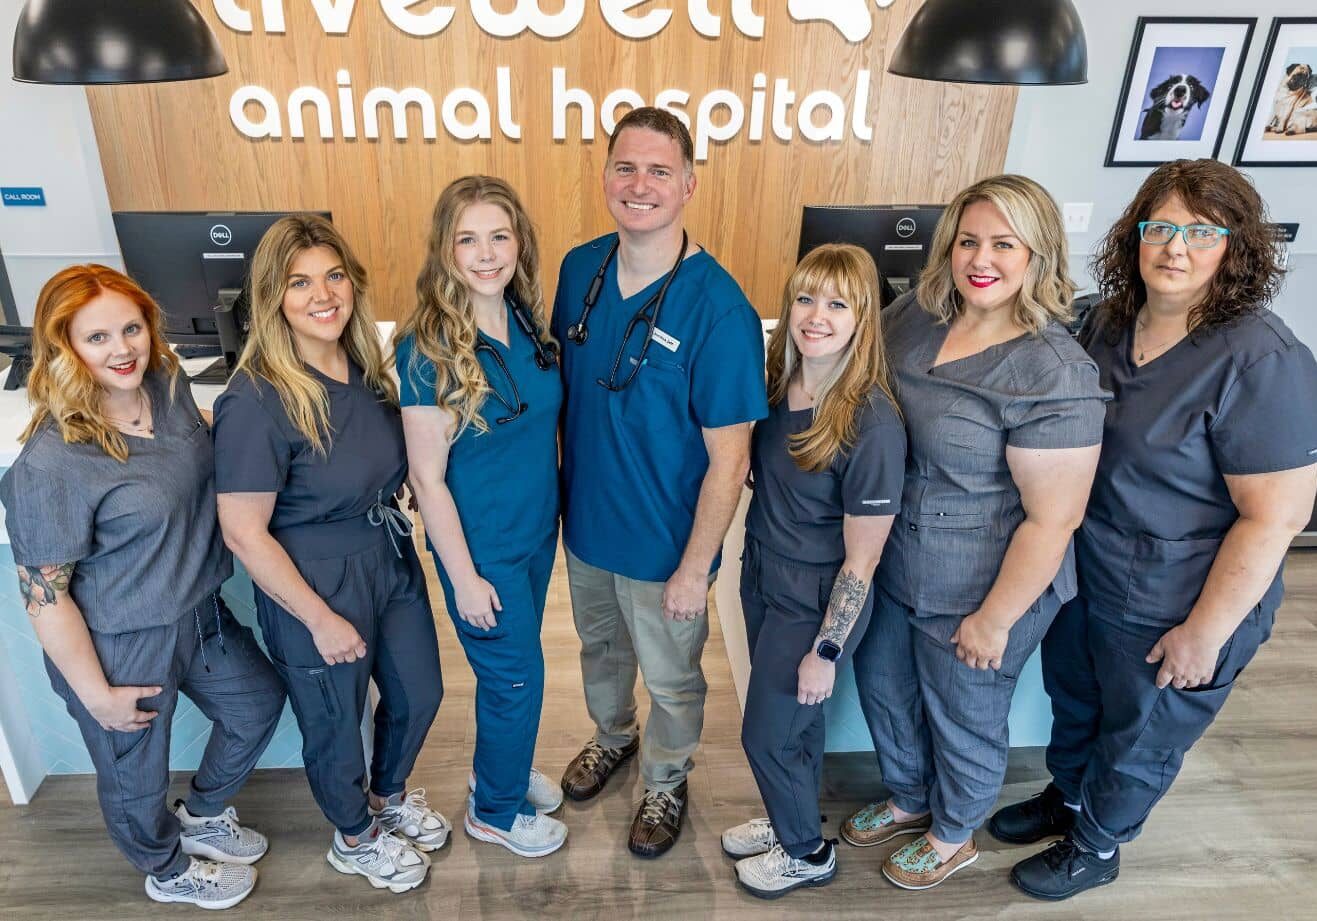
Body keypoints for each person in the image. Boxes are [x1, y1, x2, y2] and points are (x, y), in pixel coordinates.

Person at [993, 159, 1317, 901]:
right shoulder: (1102, 321)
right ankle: (1067, 800)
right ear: (1134, 236)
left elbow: (1276, 513)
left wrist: (1205, 631)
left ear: (1234, 247)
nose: (1175, 247)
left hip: (1181, 593)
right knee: (1076, 698)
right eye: (1160, 226)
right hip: (1089, 570)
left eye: (1201, 232)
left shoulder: (1260, 359)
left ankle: (1097, 843)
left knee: (1138, 731)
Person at [844, 175, 1108, 890]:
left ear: (1037, 254)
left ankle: (953, 830)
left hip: (985, 580)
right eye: (967, 241)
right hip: (896, 558)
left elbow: (1055, 517)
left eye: (1002, 243)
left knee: (963, 711)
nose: (979, 258)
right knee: (883, 684)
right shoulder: (917, 315)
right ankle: (907, 794)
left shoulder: (1052, 372)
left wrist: (994, 620)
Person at [0, 265, 285, 910]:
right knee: (135, 777)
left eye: (130, 328)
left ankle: (204, 811)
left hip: (201, 613)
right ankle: (164, 866)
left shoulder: (169, 382)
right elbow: (44, 596)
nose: (122, 349)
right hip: (119, 642)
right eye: (95, 338)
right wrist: (96, 694)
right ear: (62, 346)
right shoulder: (51, 461)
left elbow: (194, 456)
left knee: (257, 704)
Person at [552, 106, 769, 858]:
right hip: (585, 530)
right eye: (624, 166)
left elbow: (731, 460)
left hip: (665, 544)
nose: (638, 184)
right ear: (605, 176)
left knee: (673, 679)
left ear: (688, 184)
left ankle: (666, 777)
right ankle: (613, 736)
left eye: (657, 170)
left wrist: (692, 567)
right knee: (599, 654)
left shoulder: (719, 308)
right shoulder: (580, 269)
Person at [213, 215, 446, 894]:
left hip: (387, 553)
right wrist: (318, 617)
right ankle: (355, 833)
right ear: (271, 297)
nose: (324, 294)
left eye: (334, 275)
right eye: (299, 282)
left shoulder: (367, 364)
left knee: (419, 690)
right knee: (334, 721)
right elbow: (243, 531)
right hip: (313, 576)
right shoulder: (255, 399)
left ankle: (389, 793)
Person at [719, 244, 905, 898]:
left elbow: (863, 557)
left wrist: (825, 649)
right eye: (804, 298)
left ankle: (805, 852)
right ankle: (788, 818)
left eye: (836, 303)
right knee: (796, 729)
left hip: (817, 598)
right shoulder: (780, 382)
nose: (815, 316)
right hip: (763, 571)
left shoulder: (870, 421)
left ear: (862, 318)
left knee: (765, 733)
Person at [395, 175, 567, 858]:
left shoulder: (525, 320)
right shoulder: (427, 347)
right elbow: (426, 479)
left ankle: (501, 767)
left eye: (498, 235)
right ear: (445, 250)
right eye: (467, 239)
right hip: (481, 547)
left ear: (518, 241)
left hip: (534, 533)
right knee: (516, 675)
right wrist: (463, 579)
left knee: (514, 675)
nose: (486, 253)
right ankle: (494, 811)